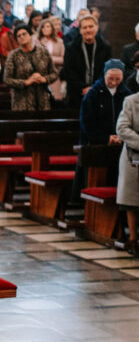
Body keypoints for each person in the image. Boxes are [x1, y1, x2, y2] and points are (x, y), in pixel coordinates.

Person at [61, 14, 112, 109]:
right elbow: (68, 71)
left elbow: (106, 71)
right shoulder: (71, 48)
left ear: (97, 27)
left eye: (91, 26)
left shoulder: (106, 48)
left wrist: (94, 88)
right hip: (76, 93)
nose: (88, 30)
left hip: (99, 92)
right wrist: (84, 87)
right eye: (85, 27)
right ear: (80, 30)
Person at [3, 25, 58, 111]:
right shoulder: (13, 55)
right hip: (21, 102)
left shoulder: (43, 51)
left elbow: (54, 73)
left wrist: (44, 79)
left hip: (43, 99)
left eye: (24, 34)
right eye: (18, 36)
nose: (22, 37)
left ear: (30, 35)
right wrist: (26, 82)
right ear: (17, 40)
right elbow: (7, 80)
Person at [115, 86, 139, 254]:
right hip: (134, 155)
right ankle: (132, 239)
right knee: (133, 200)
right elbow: (122, 129)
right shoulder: (131, 101)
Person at [34, 17, 65, 100]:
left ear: (52, 28)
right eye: (43, 27)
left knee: (56, 99)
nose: (45, 29)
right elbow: (35, 58)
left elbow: (63, 59)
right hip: (40, 74)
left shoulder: (59, 41)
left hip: (55, 73)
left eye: (48, 26)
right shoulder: (36, 41)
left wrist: (50, 59)